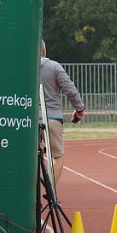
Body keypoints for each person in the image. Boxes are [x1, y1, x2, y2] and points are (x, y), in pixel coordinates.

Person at [39, 40, 85, 187]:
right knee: (57, 156)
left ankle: (31, 193)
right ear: (44, 51)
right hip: (52, 117)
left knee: (31, 156)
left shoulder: (23, 67)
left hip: (29, 119)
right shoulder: (54, 67)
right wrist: (79, 109)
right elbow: (70, 89)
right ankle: (51, 189)